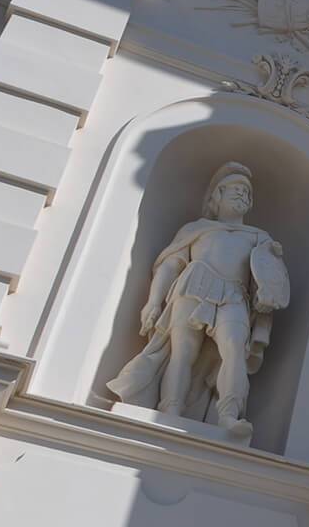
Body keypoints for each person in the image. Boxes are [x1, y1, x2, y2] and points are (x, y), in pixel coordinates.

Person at [107, 162, 289, 440]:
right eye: (236, 189)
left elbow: (267, 276)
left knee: (234, 350)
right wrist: (153, 302)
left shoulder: (258, 238)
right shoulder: (196, 229)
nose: (242, 195)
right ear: (218, 194)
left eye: (246, 192)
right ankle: (170, 409)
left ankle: (229, 415)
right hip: (194, 285)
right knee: (182, 352)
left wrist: (267, 296)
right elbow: (170, 265)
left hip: (234, 295)